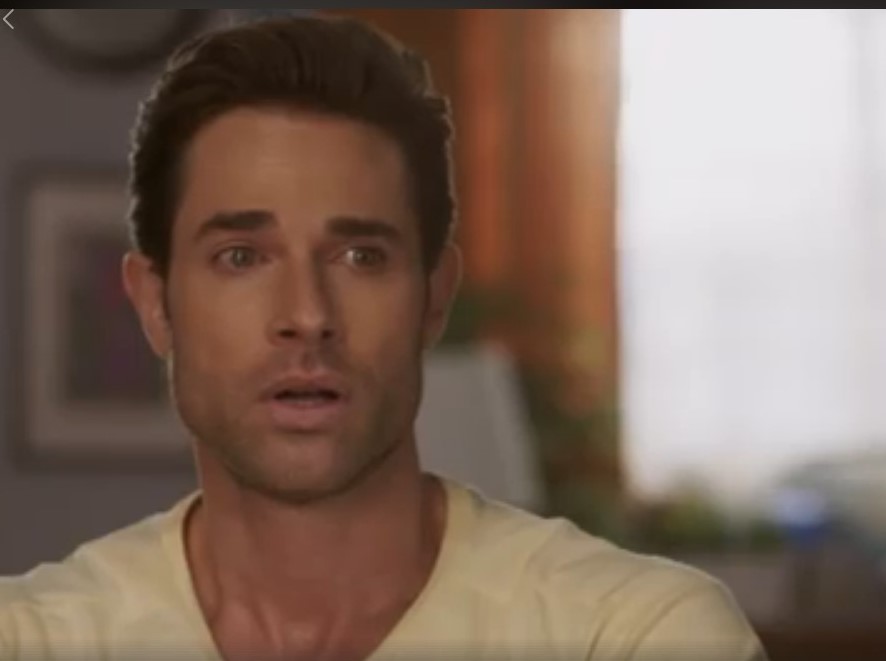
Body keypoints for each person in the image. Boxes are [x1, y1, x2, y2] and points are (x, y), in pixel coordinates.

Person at [0, 14, 766, 661]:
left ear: (434, 297)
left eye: (361, 256)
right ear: (155, 303)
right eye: (241, 257)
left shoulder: (630, 634)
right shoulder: (32, 638)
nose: (307, 313)